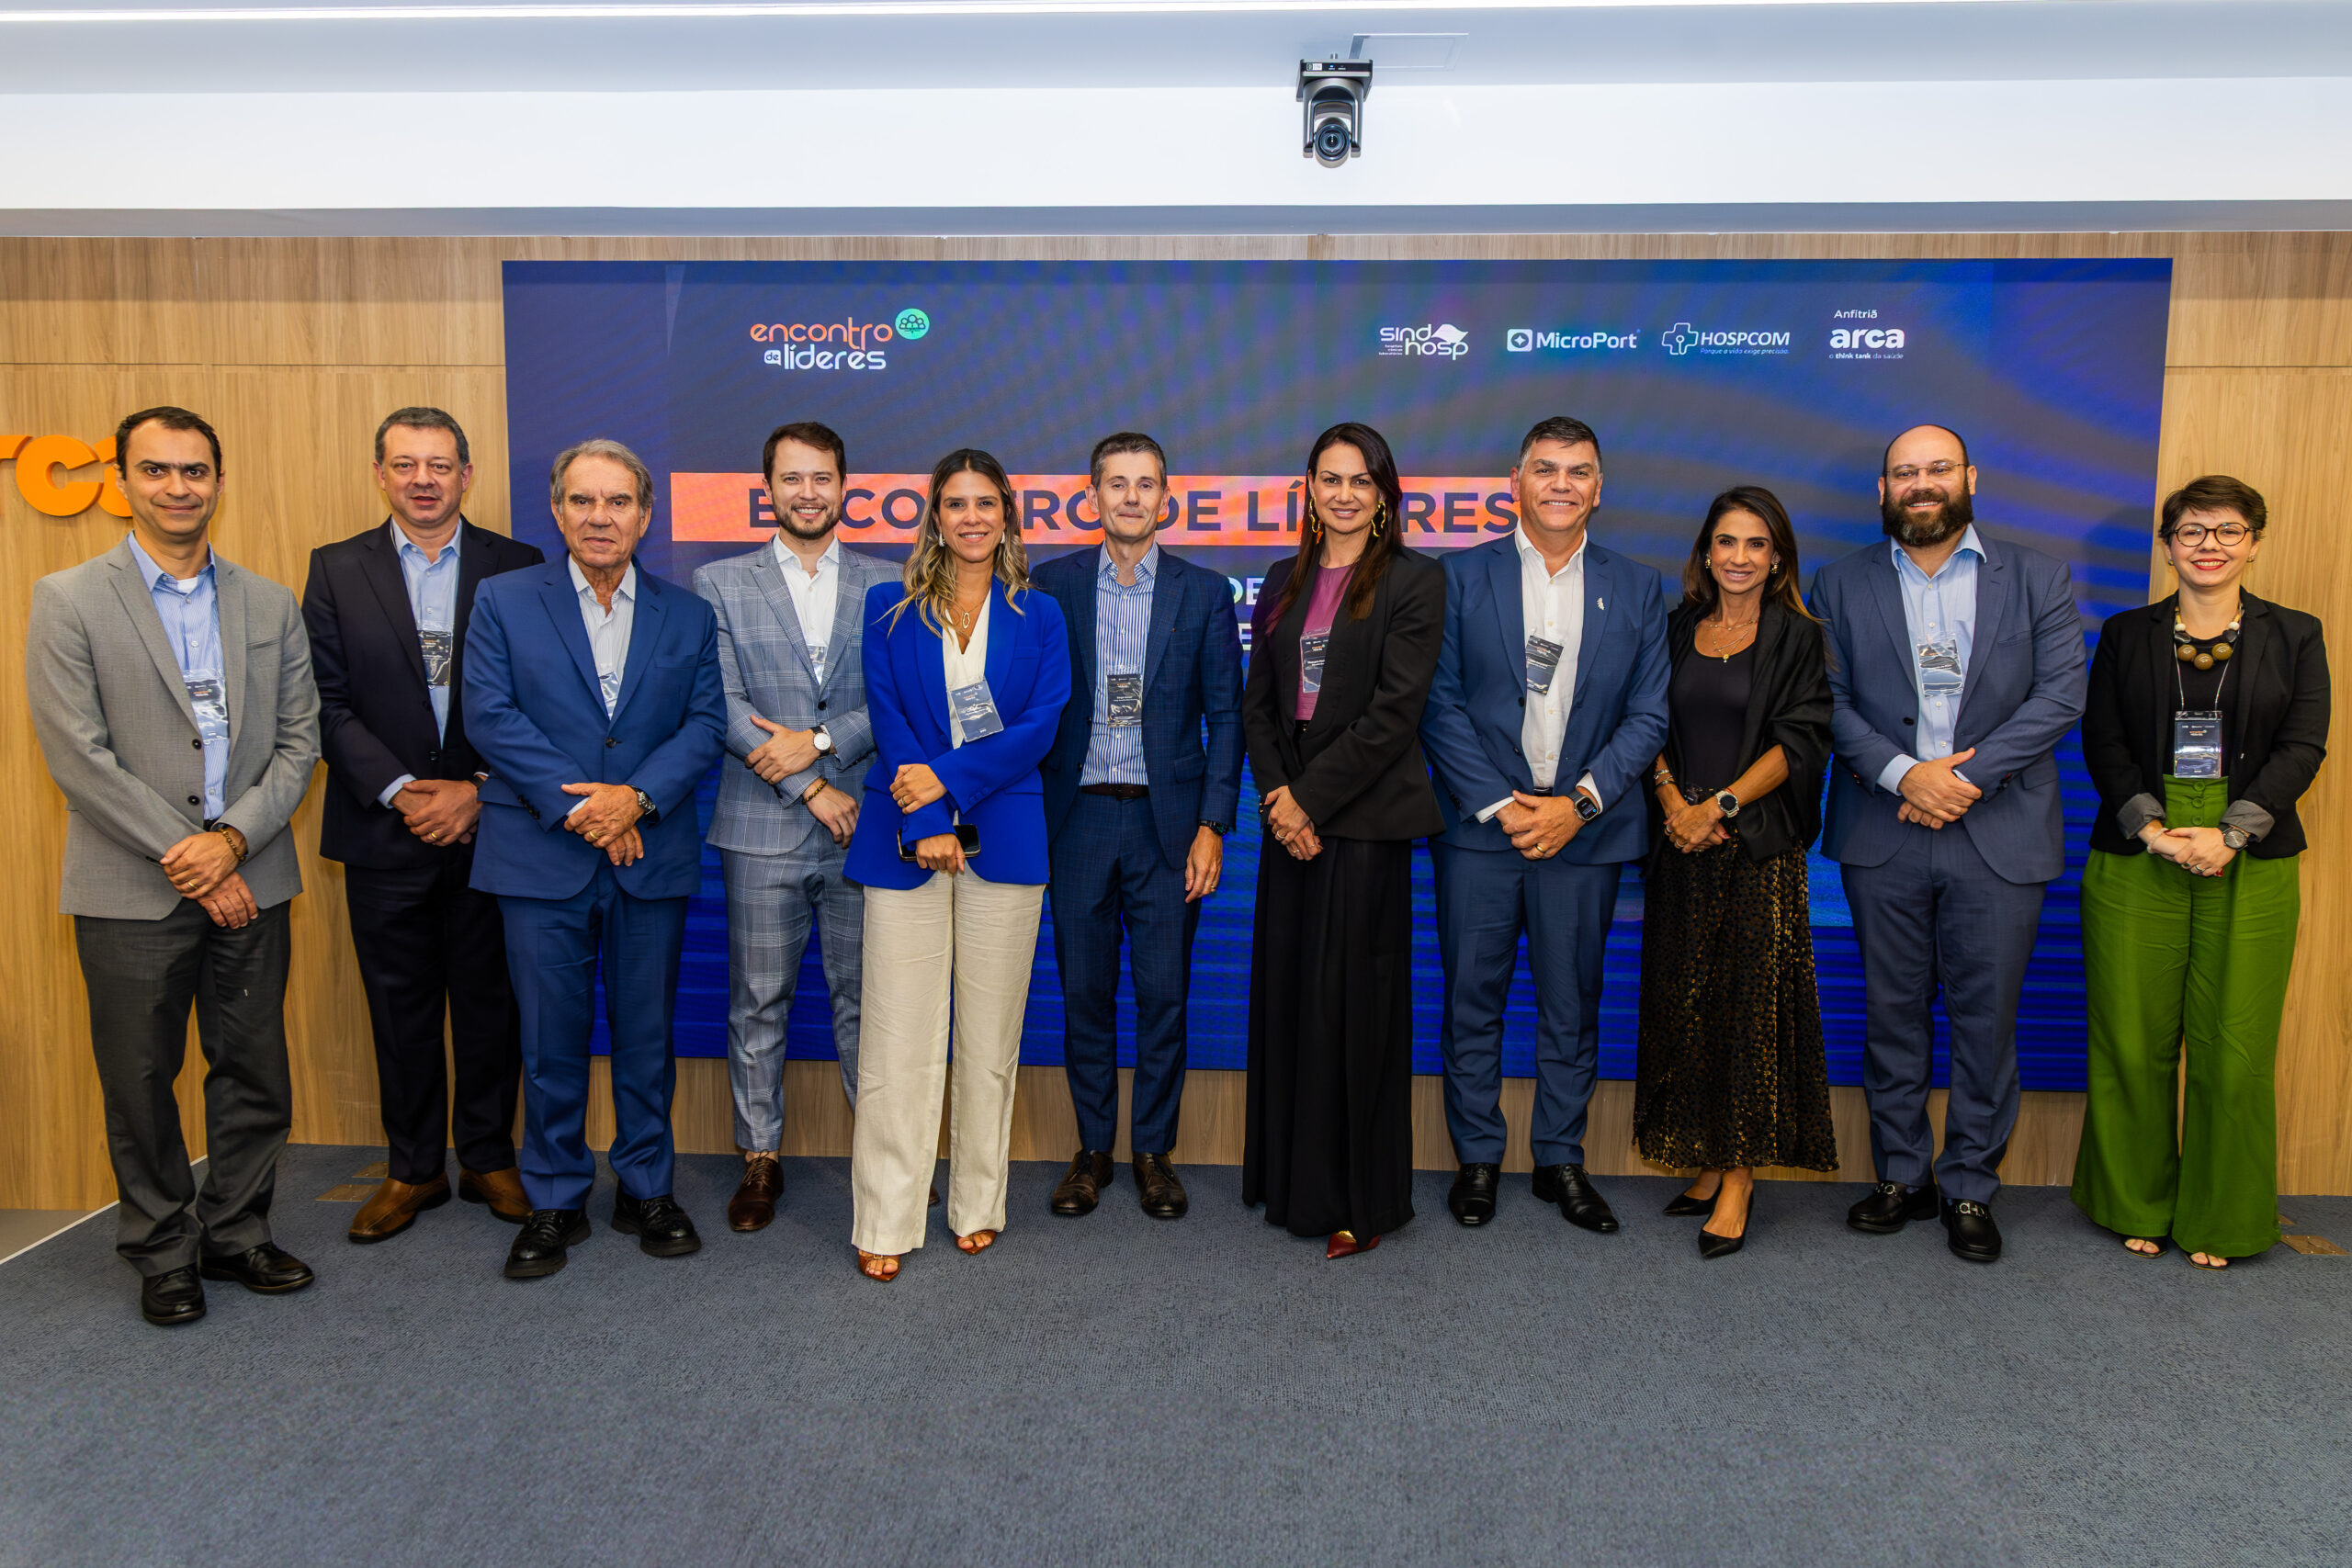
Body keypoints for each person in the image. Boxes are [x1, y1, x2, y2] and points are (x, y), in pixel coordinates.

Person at [27, 406, 322, 1326]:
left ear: (219, 483)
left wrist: (231, 842)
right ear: (122, 481)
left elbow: (299, 742)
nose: (177, 487)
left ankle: (236, 1231)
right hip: (130, 886)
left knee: (253, 1069)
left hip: (254, 874)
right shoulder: (69, 598)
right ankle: (161, 1249)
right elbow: (77, 757)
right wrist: (190, 855)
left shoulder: (269, 602)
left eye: (194, 470)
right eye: (155, 470)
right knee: (140, 1078)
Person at [1809, 423, 2086, 1264]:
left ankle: (1970, 1183)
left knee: (1985, 1020)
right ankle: (1903, 1175)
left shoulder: (2036, 577)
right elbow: (1824, 700)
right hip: (1885, 829)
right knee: (1892, 1015)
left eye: (1937, 469)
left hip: (1998, 830)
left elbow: (2060, 695)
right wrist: (1906, 776)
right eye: (1905, 472)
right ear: (1882, 490)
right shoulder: (1838, 582)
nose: (1921, 484)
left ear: (1969, 477)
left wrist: (1961, 780)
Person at [462, 437, 726, 1280]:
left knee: (647, 1034)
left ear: (645, 516)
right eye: (583, 500)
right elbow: (489, 715)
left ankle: (646, 1187)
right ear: (557, 510)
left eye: (618, 502)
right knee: (549, 1040)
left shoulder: (688, 613)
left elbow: (706, 726)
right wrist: (589, 809)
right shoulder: (505, 599)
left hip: (650, 851)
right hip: (540, 852)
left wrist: (634, 799)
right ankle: (555, 1196)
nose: (600, 517)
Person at [1419, 416, 1669, 1233]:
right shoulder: (1459, 577)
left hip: (1583, 835)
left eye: (1579, 471)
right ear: (1516, 482)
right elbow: (1438, 704)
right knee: (1472, 1000)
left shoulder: (1638, 587)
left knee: (1572, 1004)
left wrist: (1578, 805)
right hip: (1481, 832)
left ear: (1599, 488)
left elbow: (1648, 715)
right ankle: (1478, 1159)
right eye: (1546, 469)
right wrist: (1502, 805)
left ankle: (1561, 1158)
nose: (1562, 484)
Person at [2073, 475, 2328, 1269]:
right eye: (2191, 530)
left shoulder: (2297, 634)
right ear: (2167, 545)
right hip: (2138, 851)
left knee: (2235, 1047)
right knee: (2130, 1036)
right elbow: (2103, 739)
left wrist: (2230, 833)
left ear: (2254, 541)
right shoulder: (2126, 634)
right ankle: (2134, 1201)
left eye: (2227, 531)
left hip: (2249, 853)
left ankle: (2222, 1217)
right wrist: (2152, 829)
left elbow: (2303, 745)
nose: (2208, 545)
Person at [303, 407, 543, 1244]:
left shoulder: (519, 565)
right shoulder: (336, 568)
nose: (423, 479)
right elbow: (325, 704)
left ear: (466, 475)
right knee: (397, 1007)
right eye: (405, 464)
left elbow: (540, 700)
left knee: (491, 1002)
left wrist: (478, 789)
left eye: (440, 464)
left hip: (494, 824)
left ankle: (487, 1155)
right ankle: (412, 1167)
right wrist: (405, 792)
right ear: (381, 474)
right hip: (384, 831)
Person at [842, 449, 1071, 1282]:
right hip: (904, 834)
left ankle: (978, 1203)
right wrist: (930, 813)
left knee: (989, 1040)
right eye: (955, 503)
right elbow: (890, 719)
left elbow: (1041, 725)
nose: (971, 517)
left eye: (985, 503)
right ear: (934, 516)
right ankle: (886, 1215)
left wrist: (948, 783)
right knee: (896, 1038)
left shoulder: (1041, 613)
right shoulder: (887, 607)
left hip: (1006, 838)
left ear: (1007, 514)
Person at [1241, 422, 1445, 1259]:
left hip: (1361, 822)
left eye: (1362, 480)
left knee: (1355, 1013)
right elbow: (1257, 704)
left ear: (1385, 493)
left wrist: (1309, 802)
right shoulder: (1281, 580)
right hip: (1288, 818)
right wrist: (1278, 800)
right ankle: (1292, 1182)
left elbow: (1395, 714)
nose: (1345, 494)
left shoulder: (1415, 580)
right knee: (1291, 1002)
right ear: (1310, 489)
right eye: (1330, 479)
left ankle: (1362, 1197)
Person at [692, 421, 899, 1232]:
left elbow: (895, 697)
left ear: (845, 486)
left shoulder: (890, 582)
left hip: (865, 824)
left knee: (866, 1002)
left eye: (822, 478)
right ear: (767, 488)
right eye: (791, 478)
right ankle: (759, 1156)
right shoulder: (718, 582)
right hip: (762, 825)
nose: (807, 493)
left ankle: (883, 1160)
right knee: (758, 999)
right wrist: (811, 786)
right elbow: (718, 701)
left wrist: (818, 742)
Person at [1034, 432, 1245, 1220]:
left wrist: (1213, 824)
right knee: (1084, 994)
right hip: (1077, 819)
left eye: (1145, 484)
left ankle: (1154, 1151)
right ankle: (1092, 1150)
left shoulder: (1205, 592)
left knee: (1165, 996)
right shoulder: (1050, 585)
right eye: (1116, 483)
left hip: (1170, 827)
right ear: (1091, 496)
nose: (1130, 497)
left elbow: (1227, 718)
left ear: (1167, 499)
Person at [1634, 487, 1838, 1258]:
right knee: (1686, 1006)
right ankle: (1709, 1158)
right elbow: (1644, 719)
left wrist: (1717, 807)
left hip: (1755, 850)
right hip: (1679, 845)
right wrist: (1671, 802)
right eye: (1727, 541)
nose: (1740, 557)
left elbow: (1801, 739)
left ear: (1777, 557)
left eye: (1757, 544)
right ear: (1706, 551)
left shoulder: (1796, 635)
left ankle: (1740, 1180)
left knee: (1749, 1016)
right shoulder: (1676, 627)